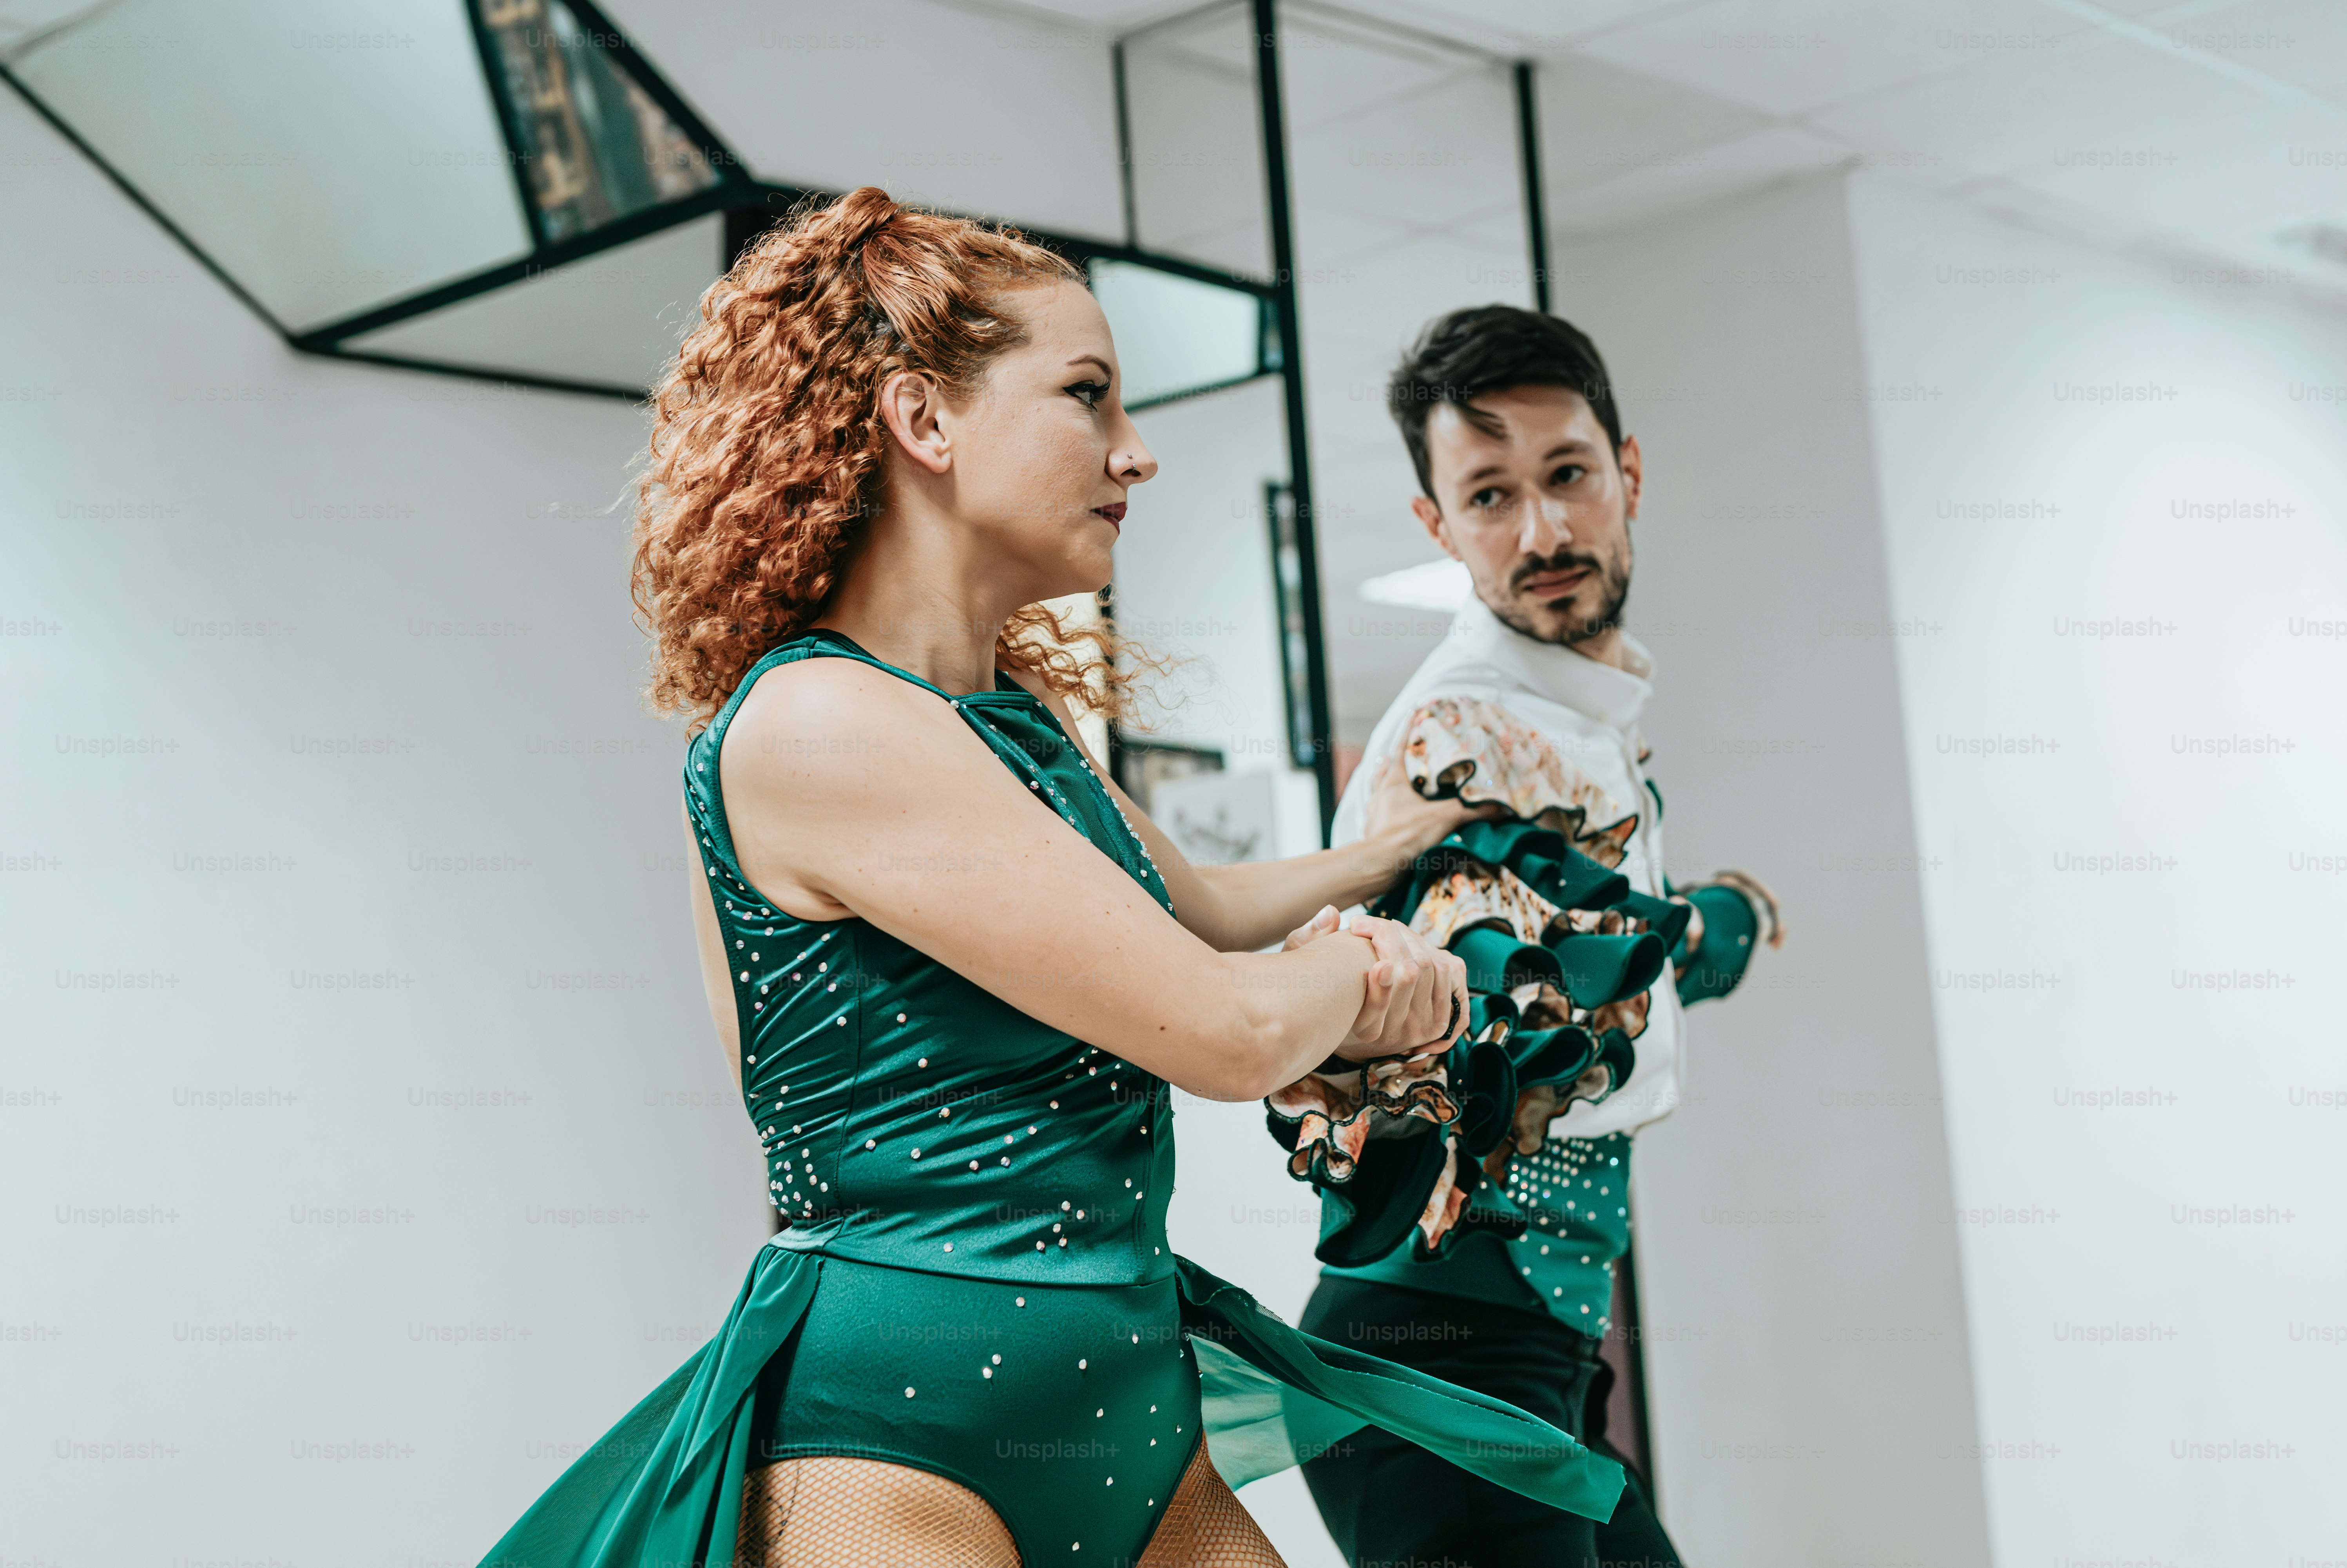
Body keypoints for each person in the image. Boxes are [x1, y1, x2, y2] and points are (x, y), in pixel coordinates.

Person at [467, 194, 1628, 1568]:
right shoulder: (815, 724)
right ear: (925, 418)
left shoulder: (1010, 724)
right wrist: (1380, 979)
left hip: (1130, 1401)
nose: (1134, 454)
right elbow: (1226, 1027)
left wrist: (1395, 853)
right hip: (898, 1444)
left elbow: (1196, 908)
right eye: (1089, 396)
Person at [1283, 305, 1781, 1568]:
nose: (1545, 532)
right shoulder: (1466, 735)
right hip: (1439, 1355)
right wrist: (1721, 926)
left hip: (1532, 1341)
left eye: (1566, 476)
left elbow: (1592, 954)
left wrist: (1698, 934)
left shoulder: (1575, 718)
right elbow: (1532, 1002)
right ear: (1437, 527)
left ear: (1629, 470)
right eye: (1491, 496)